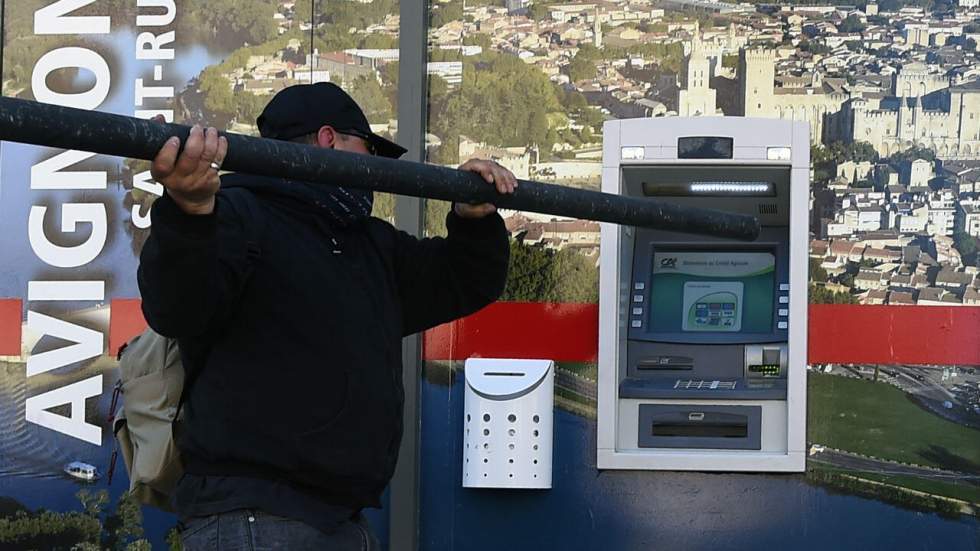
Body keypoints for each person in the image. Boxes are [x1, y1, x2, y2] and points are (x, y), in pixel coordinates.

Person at [138, 82, 514, 550]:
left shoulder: (369, 244)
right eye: (369, 148)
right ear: (328, 140)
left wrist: (474, 218)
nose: (375, 168)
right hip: (256, 516)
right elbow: (174, 306)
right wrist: (190, 212)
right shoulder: (237, 215)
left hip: (341, 517)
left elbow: (461, 281)